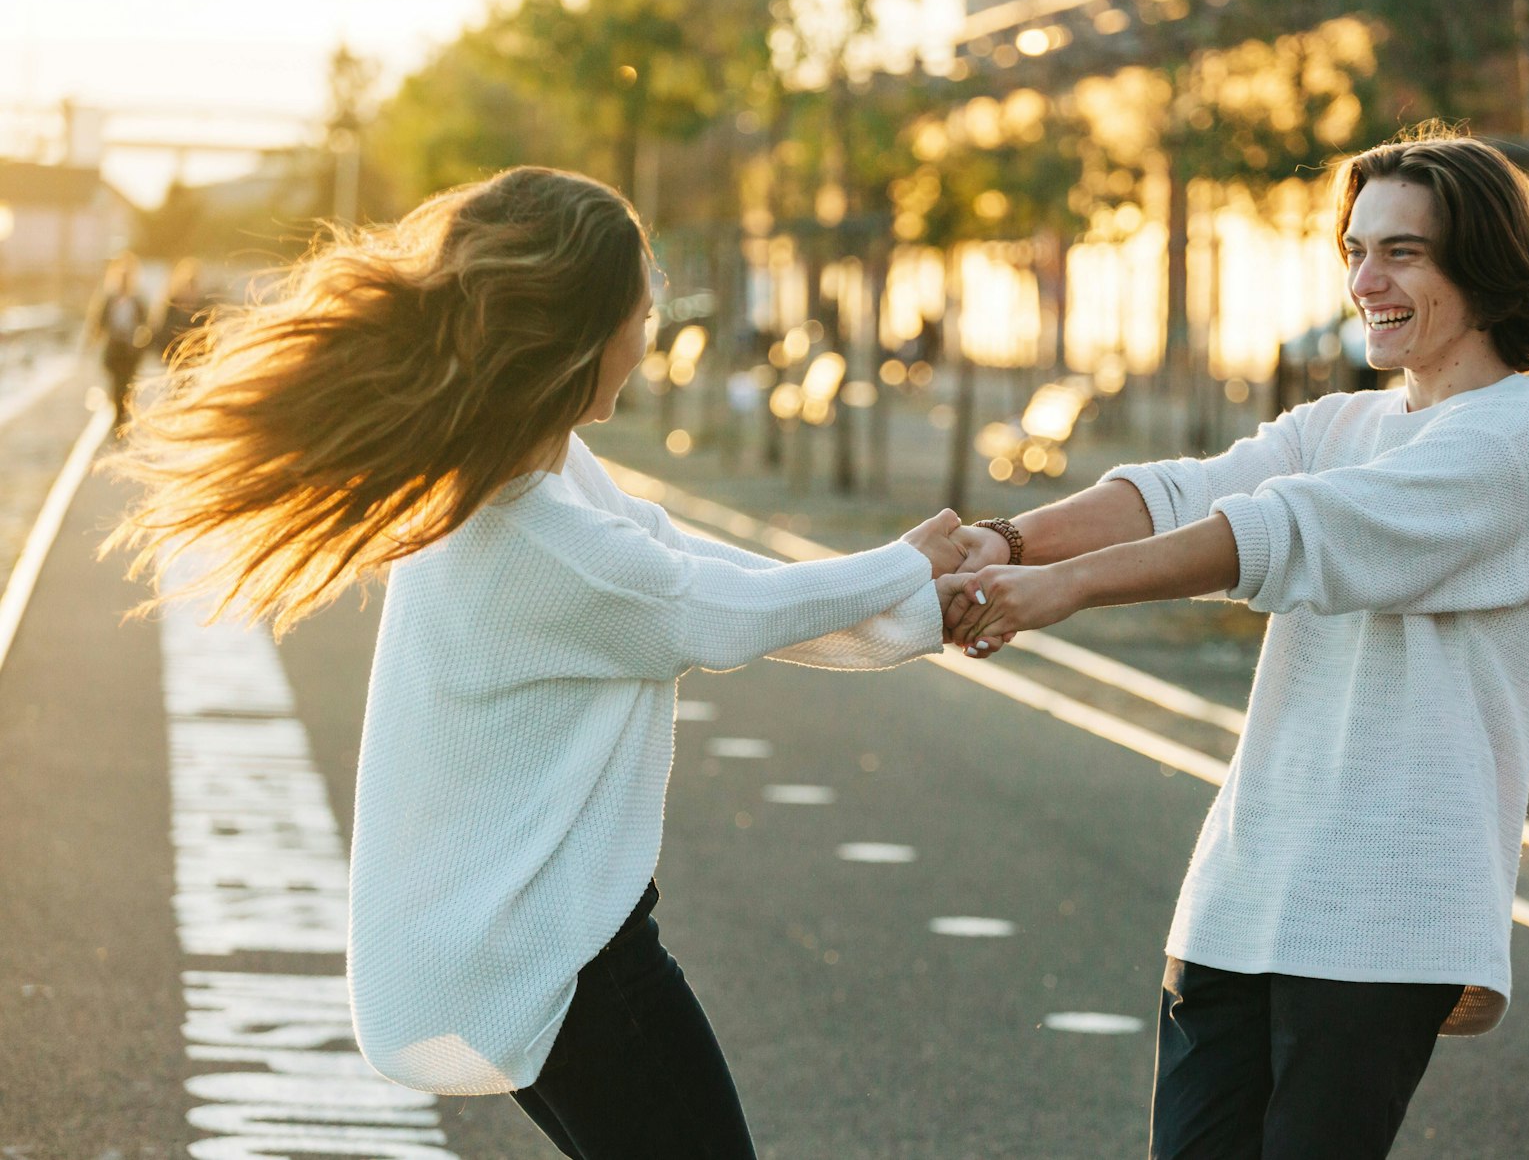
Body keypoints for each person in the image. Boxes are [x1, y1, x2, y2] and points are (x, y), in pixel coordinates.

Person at [103, 166, 1005, 1159]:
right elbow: (707, 610)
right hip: (558, 959)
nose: (655, 322)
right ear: (587, 331)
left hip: (556, 942)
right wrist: (908, 565)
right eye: (644, 304)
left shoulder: (550, 480)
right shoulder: (538, 537)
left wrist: (940, 605)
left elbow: (732, 585)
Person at [940, 129, 1529, 1159]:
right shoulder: (1345, 422)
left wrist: (1056, 588)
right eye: (1354, 248)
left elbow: (1283, 532)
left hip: (1378, 909)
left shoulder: (1508, 445)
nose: (1363, 279)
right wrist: (1008, 538)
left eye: (1402, 252)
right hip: (1244, 891)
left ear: (1486, 265)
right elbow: (1182, 492)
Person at [84, 251, 150, 425]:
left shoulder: (138, 301)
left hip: (130, 351)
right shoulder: (109, 299)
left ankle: (123, 414)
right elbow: (99, 322)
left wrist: (141, 341)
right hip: (114, 349)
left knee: (126, 383)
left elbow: (147, 325)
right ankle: (117, 416)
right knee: (116, 384)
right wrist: (92, 341)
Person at [147, 256, 209, 363]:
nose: (190, 290)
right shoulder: (168, 308)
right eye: (187, 285)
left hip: (195, 366)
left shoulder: (203, 312)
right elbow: (158, 337)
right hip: (169, 364)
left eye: (193, 285)